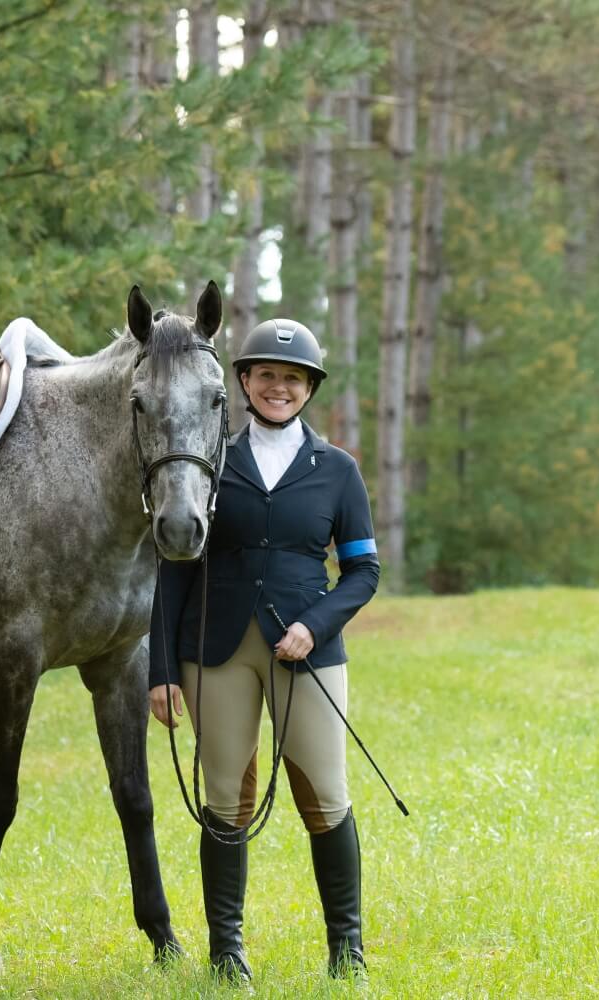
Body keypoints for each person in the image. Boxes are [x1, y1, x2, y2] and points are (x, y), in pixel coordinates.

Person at [148, 318, 381, 983]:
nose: (281, 387)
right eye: (268, 375)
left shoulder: (338, 471)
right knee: (224, 796)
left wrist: (317, 623)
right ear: (244, 382)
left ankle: (348, 952)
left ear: (310, 389)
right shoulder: (210, 462)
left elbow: (364, 571)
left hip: (306, 651)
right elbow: (174, 568)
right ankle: (227, 955)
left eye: (294, 378)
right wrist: (160, 669)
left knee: (328, 795)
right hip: (214, 650)